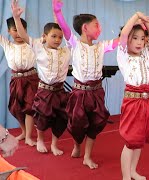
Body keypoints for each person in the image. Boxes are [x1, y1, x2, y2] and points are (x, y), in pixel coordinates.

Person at [53, 0, 118, 169]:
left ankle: (87, 156)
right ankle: (77, 145)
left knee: (95, 123)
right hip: (79, 93)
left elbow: (120, 40)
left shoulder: (101, 47)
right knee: (77, 124)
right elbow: (65, 29)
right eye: (96, 25)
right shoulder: (74, 44)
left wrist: (134, 24)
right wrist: (58, 12)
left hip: (96, 92)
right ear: (85, 28)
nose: (100, 29)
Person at [12, 0, 70, 155]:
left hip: (60, 91)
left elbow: (61, 30)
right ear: (44, 36)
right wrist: (17, 19)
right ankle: (39, 140)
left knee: (61, 118)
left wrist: (57, 14)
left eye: (60, 37)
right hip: (45, 90)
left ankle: (54, 144)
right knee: (42, 117)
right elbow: (24, 36)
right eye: (54, 36)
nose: (57, 40)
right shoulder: (39, 47)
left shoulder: (66, 51)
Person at [117, 12, 149, 180]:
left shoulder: (147, 54)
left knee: (140, 140)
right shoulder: (123, 55)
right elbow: (124, 33)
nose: (140, 42)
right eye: (135, 38)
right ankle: (126, 176)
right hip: (133, 102)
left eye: (142, 38)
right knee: (131, 141)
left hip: (146, 101)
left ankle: (133, 171)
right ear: (127, 40)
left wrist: (146, 23)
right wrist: (136, 16)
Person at [0, 16, 38, 146]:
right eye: (14, 30)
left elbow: (50, 36)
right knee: (16, 107)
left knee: (29, 106)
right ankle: (23, 131)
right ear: (9, 31)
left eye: (21, 29)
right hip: (16, 79)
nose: (17, 33)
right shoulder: (7, 44)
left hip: (31, 78)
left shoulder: (32, 43)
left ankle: (28, 136)